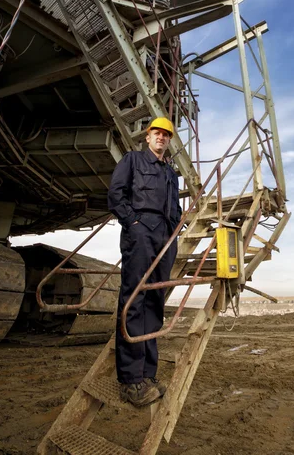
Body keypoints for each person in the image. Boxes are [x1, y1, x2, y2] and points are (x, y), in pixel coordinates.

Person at [107, 117, 182, 407]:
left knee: (154, 302)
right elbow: (116, 194)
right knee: (134, 300)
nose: (161, 138)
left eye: (166, 134)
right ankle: (130, 381)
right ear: (147, 137)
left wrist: (174, 230)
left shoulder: (171, 174)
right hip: (141, 235)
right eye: (157, 133)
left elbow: (174, 207)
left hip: (165, 238)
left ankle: (147, 374)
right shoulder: (133, 160)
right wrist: (133, 223)